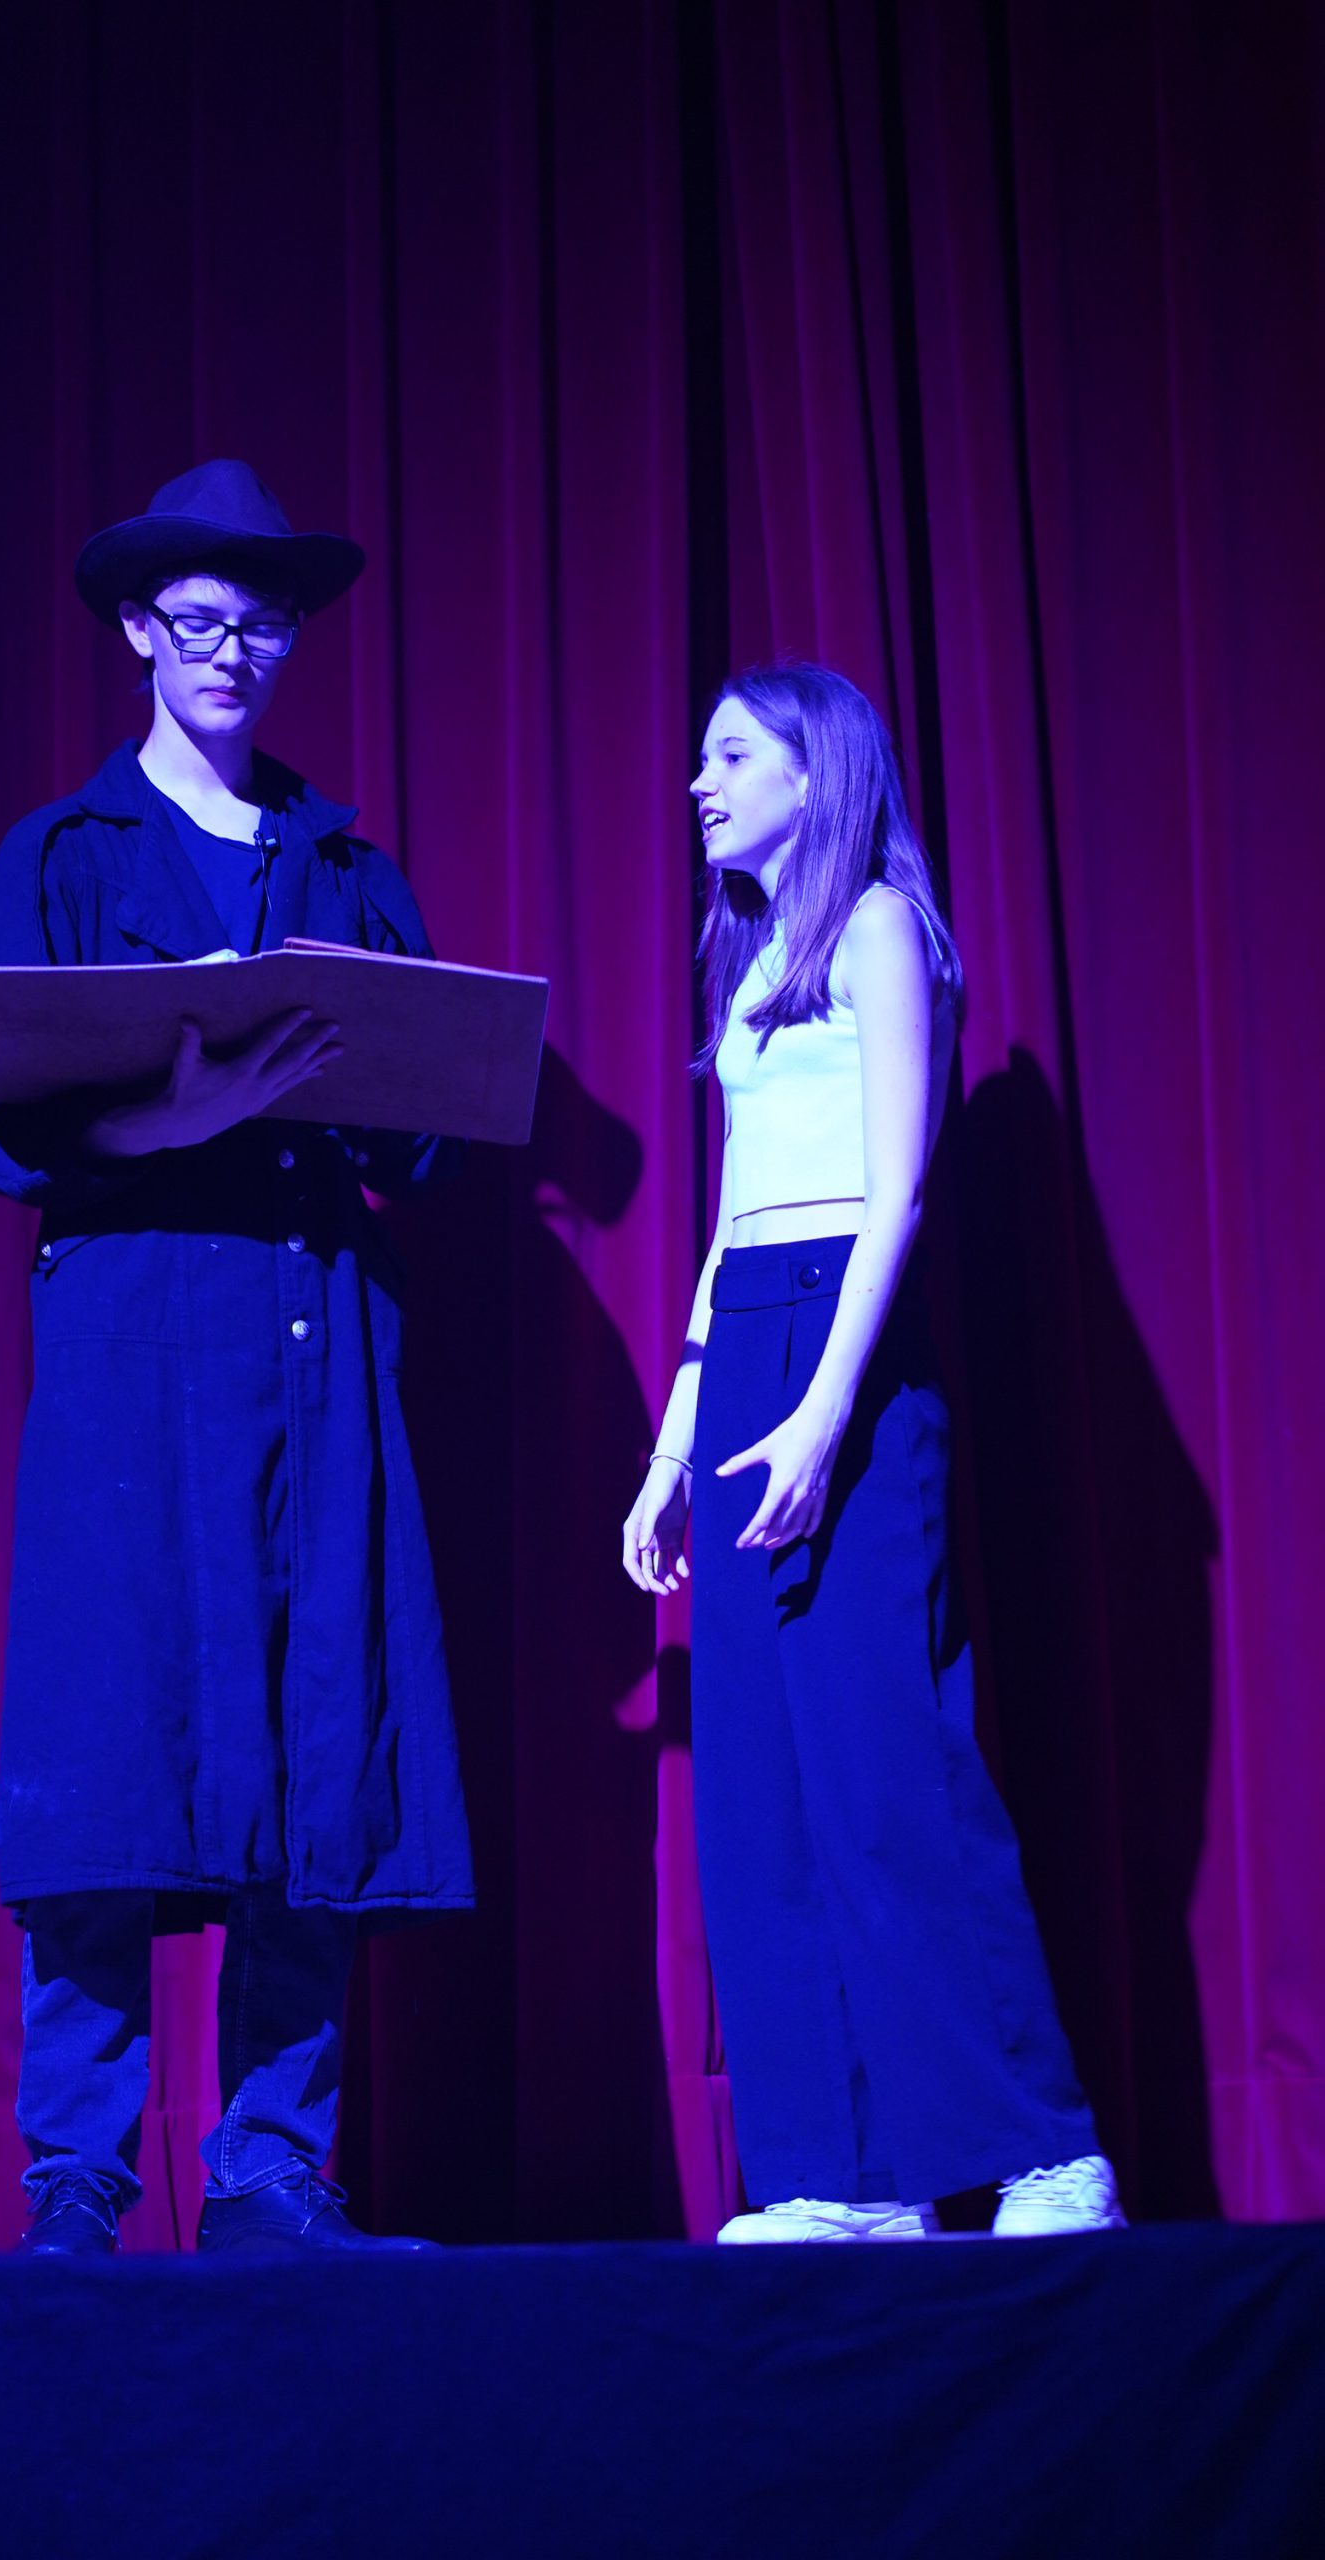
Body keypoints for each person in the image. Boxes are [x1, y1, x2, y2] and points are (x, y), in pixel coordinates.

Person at [0, 459, 472, 2256]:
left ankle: (266, 2170)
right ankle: (80, 2175)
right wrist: (172, 1116)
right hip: (133, 1340)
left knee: (319, 1734)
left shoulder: (345, 863)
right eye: (197, 619)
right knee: (107, 1739)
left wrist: (370, 1083)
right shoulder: (64, 855)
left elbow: (426, 1127)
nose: (231, 648)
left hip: (314, 1340)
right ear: (135, 631)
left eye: (264, 622)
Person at [622, 663, 1124, 2242]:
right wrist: (674, 1443)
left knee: (887, 1767)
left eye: (729, 755)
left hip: (846, 1345)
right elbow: (732, 1225)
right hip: (751, 1347)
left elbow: (891, 1186)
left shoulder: (880, 928)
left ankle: (1039, 2150)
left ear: (811, 771)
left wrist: (825, 1409)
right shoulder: (751, 962)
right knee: (759, 1793)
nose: (699, 782)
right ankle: (833, 2180)